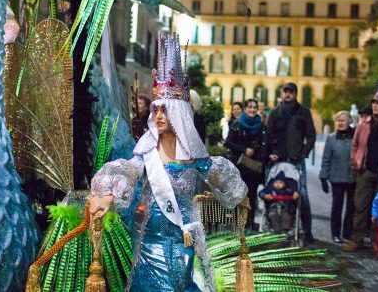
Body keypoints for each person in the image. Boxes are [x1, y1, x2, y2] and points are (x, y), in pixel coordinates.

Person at [90, 32, 247, 291]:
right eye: (156, 109)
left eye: (165, 110)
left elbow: (225, 181)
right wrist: (107, 195)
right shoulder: (147, 149)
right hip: (150, 237)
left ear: (179, 114)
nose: (158, 115)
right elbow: (128, 171)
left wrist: (239, 194)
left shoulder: (194, 155)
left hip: (184, 237)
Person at [343, 91, 378, 252]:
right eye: (373, 103)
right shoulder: (364, 124)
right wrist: (355, 162)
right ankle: (357, 239)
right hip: (366, 171)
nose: (374, 105)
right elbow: (355, 145)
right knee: (360, 206)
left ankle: (377, 240)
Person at [266, 82, 316, 244]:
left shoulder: (304, 112)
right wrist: (271, 153)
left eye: (291, 92)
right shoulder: (275, 113)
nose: (288, 94)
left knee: (302, 195)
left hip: (297, 160)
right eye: (285, 92)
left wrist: (303, 153)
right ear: (282, 94)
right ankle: (273, 225)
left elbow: (311, 136)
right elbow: (268, 136)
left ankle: (307, 232)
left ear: (295, 94)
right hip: (278, 160)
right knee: (274, 193)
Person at [225, 98, 267, 227]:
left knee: (252, 196)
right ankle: (237, 224)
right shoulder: (236, 124)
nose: (252, 110)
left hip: (254, 168)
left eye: (255, 107)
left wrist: (261, 156)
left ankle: (249, 224)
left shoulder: (261, 127)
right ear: (245, 109)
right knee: (239, 195)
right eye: (250, 107)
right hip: (239, 166)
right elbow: (228, 142)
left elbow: (265, 145)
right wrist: (244, 149)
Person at [320, 111, 356, 243]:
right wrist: (323, 177)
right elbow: (326, 159)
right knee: (337, 207)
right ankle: (335, 233)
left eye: (343, 120)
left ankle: (347, 233)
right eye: (338, 121)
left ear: (349, 122)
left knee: (351, 207)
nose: (340, 123)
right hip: (337, 177)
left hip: (353, 177)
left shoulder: (355, 137)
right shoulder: (331, 138)